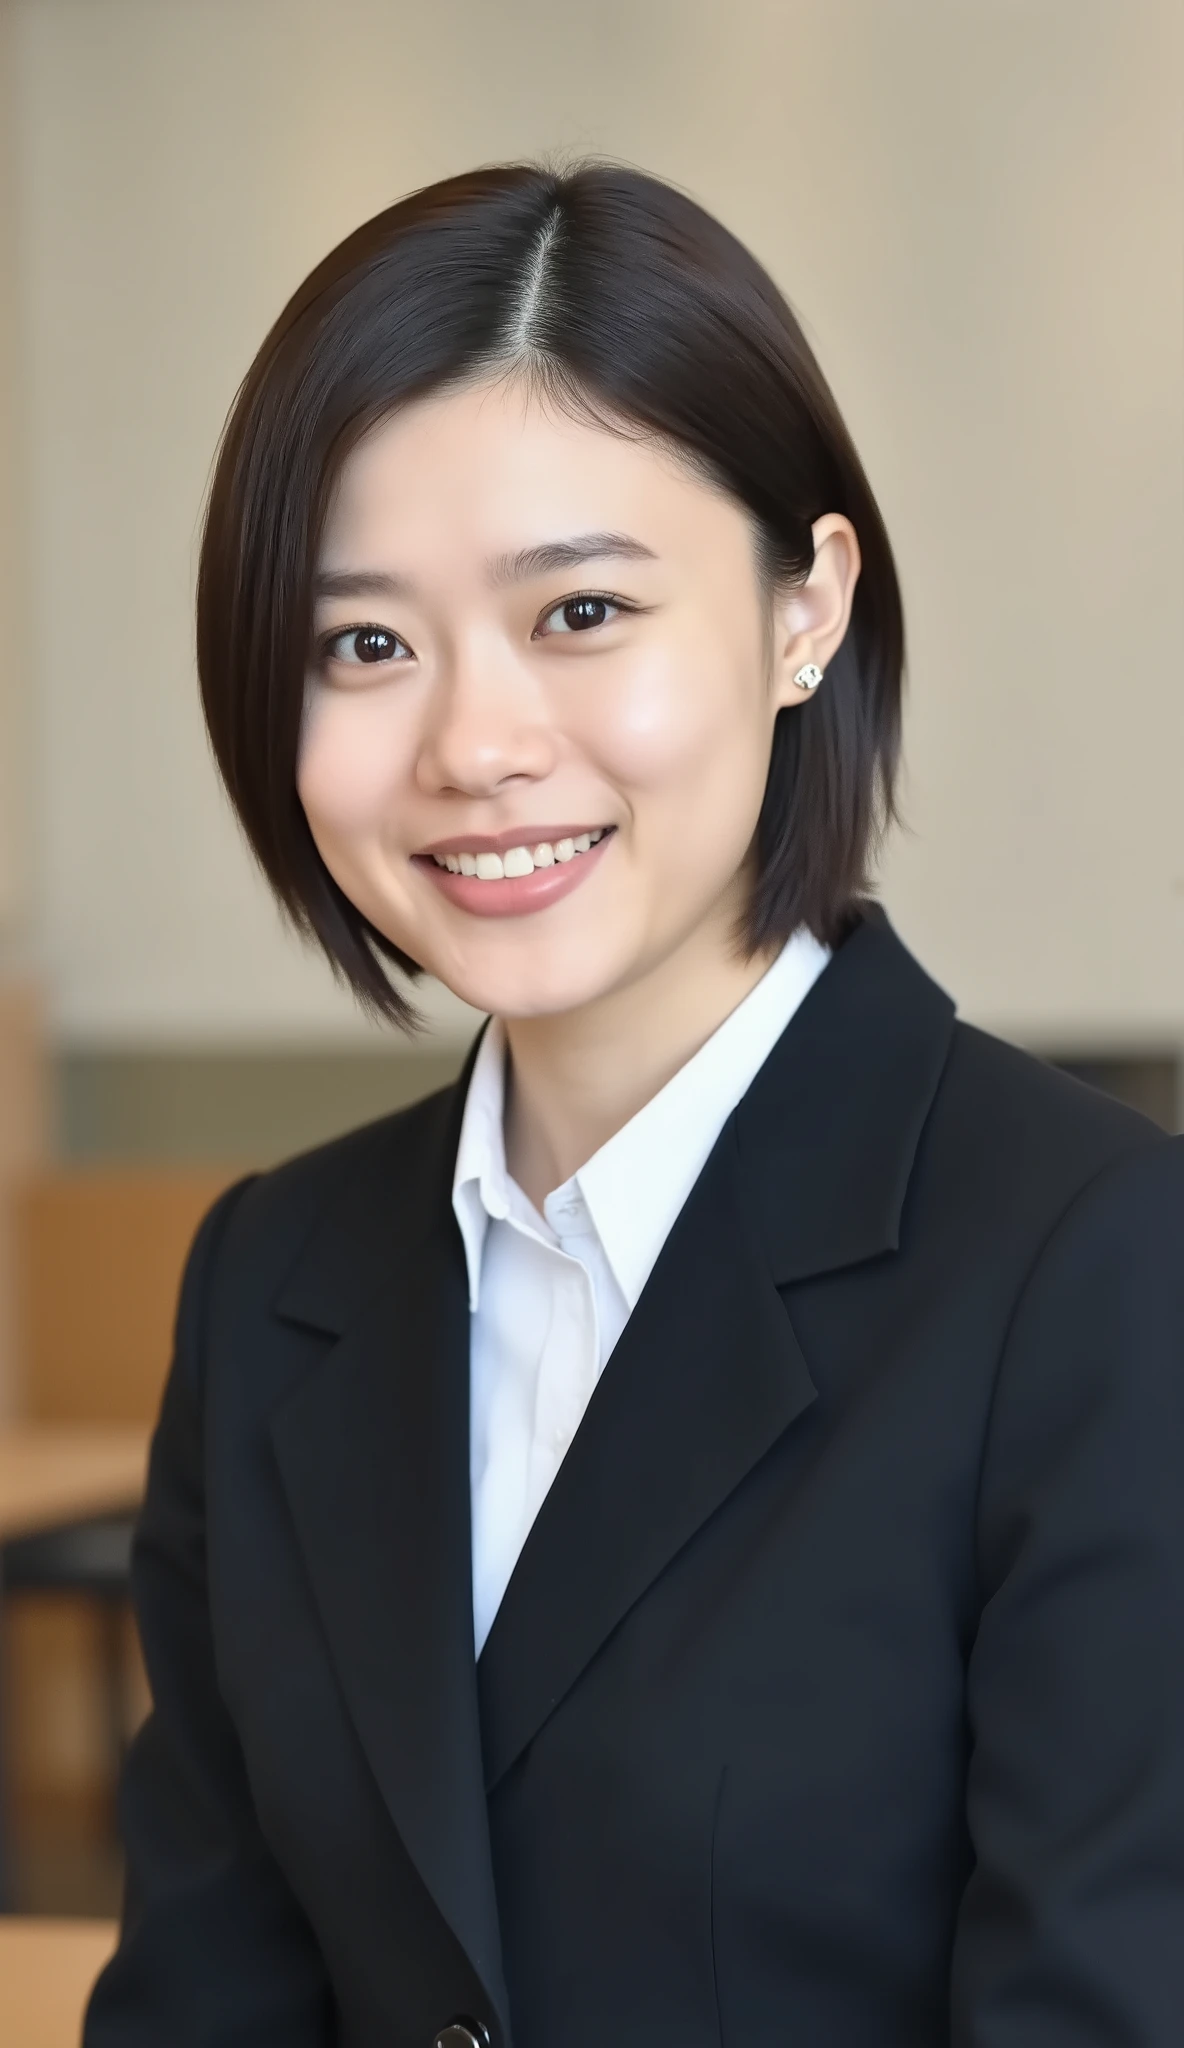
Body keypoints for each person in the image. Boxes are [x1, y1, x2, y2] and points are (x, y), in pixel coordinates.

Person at [84, 161, 1184, 2048]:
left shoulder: (1099, 1270)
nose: (474, 745)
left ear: (802, 613)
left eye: (580, 609)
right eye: (365, 643)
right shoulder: (272, 1278)